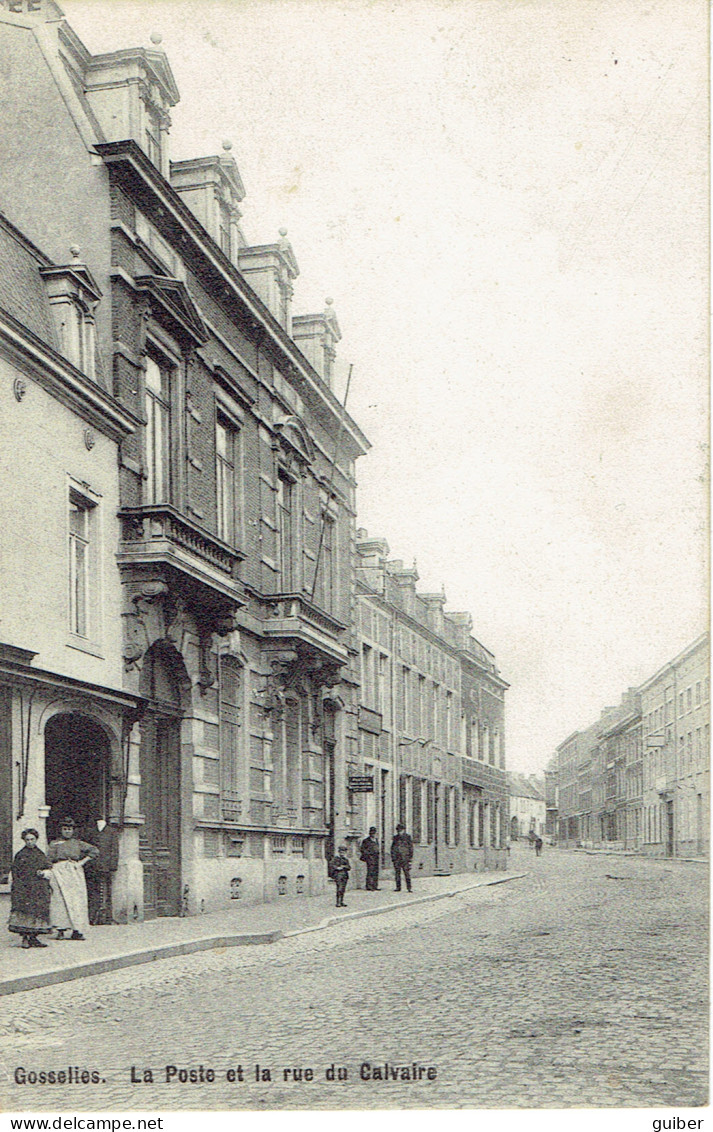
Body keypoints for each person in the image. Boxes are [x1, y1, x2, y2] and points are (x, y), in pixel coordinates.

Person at [46, 819, 98, 940]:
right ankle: (61, 930)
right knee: (60, 900)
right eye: (65, 829)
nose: (67, 832)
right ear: (61, 830)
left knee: (76, 901)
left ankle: (77, 930)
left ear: (73, 830)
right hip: (59, 872)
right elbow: (48, 859)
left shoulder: (78, 843)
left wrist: (81, 863)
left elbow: (94, 850)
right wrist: (51, 870)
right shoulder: (54, 844)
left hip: (74, 872)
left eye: (69, 829)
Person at [8, 829, 52, 949]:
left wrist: (44, 872)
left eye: (32, 839)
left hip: (38, 888)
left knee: (37, 912)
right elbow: (16, 872)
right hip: (24, 888)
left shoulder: (40, 853)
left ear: (36, 839)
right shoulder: (20, 855)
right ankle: (25, 938)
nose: (30, 842)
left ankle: (34, 937)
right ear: (24, 840)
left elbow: (47, 866)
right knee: (25, 912)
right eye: (27, 839)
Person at [84, 818, 119, 925]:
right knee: (93, 892)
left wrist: (113, 865)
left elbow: (115, 849)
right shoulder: (91, 831)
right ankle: (93, 917)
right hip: (92, 866)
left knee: (106, 891)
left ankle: (106, 917)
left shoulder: (112, 831)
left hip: (105, 866)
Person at [391, 823, 413, 893]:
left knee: (406, 873)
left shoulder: (407, 837)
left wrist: (410, 858)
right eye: (398, 830)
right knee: (397, 873)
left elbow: (410, 848)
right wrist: (393, 857)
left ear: (403, 830)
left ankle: (409, 888)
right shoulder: (395, 837)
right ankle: (398, 887)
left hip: (405, 858)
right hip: (397, 858)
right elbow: (392, 847)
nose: (399, 832)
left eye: (400, 830)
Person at [359, 827, 380, 891]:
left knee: (376, 872)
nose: (373, 834)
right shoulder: (366, 841)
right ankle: (369, 886)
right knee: (370, 872)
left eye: (374, 833)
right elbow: (362, 849)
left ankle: (375, 886)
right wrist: (368, 855)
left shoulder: (376, 840)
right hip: (370, 858)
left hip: (376, 857)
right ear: (370, 833)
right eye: (372, 833)